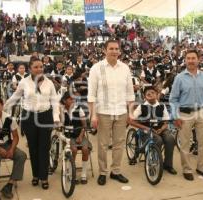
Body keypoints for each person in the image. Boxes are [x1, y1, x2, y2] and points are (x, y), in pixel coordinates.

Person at [4, 58, 60, 189]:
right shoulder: (24, 82)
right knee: (33, 148)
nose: (39, 69)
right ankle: (36, 175)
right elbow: (15, 97)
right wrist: (4, 108)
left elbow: (55, 101)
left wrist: (56, 117)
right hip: (29, 117)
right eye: (36, 67)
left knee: (44, 148)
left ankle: (44, 177)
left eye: (41, 66)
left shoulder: (49, 83)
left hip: (45, 117)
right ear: (30, 69)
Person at [88, 39, 135, 185]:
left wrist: (131, 113)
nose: (114, 51)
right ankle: (103, 172)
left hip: (121, 111)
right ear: (105, 50)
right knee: (102, 144)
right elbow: (91, 94)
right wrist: (93, 115)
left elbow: (130, 93)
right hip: (103, 112)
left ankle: (116, 171)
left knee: (118, 143)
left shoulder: (125, 68)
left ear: (119, 51)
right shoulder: (97, 68)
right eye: (111, 48)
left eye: (116, 49)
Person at [169, 49, 203, 181]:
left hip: (201, 112)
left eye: (193, 58)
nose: (191, 61)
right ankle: (187, 169)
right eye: (188, 58)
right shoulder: (179, 78)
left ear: (198, 60)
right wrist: (175, 116)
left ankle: (202, 168)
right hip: (185, 113)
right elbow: (173, 99)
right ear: (185, 60)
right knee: (185, 143)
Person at [128, 86, 177, 174]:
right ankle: (152, 163)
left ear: (157, 94)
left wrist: (161, 129)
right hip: (146, 129)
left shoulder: (162, 106)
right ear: (144, 96)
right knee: (157, 140)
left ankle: (168, 165)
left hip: (159, 129)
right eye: (148, 93)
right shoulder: (141, 106)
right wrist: (145, 128)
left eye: (152, 92)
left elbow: (166, 122)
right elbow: (131, 121)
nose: (150, 94)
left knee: (170, 139)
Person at [60, 92, 91, 184]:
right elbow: (60, 126)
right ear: (65, 100)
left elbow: (84, 125)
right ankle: (71, 173)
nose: (73, 101)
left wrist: (81, 136)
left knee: (85, 149)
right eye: (70, 99)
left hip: (79, 134)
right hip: (68, 136)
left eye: (73, 99)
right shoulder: (61, 111)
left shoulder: (78, 109)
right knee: (73, 150)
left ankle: (83, 174)